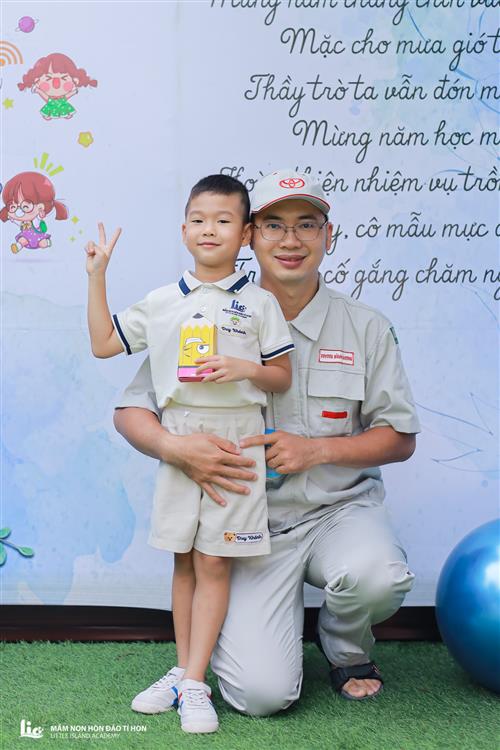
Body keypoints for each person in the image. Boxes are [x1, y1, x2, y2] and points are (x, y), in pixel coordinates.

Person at [114, 169, 420, 717]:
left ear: (329, 236)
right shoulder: (204, 311)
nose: (291, 240)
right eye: (275, 225)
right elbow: (132, 411)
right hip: (249, 527)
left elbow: (400, 438)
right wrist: (175, 449)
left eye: (307, 225)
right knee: (261, 695)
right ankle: (226, 652)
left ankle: (345, 647)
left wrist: (317, 450)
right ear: (250, 235)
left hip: (337, 512)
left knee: (377, 577)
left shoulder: (366, 327)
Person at [85, 174, 293, 733]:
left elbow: (281, 375)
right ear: (183, 230)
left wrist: (245, 367)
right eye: (199, 220)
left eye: (224, 221)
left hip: (236, 444)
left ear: (245, 234)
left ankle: (196, 681)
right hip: (178, 440)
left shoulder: (260, 303)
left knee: (214, 561)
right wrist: (97, 275)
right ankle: (184, 671)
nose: (209, 230)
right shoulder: (161, 302)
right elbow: (103, 344)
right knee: (183, 558)